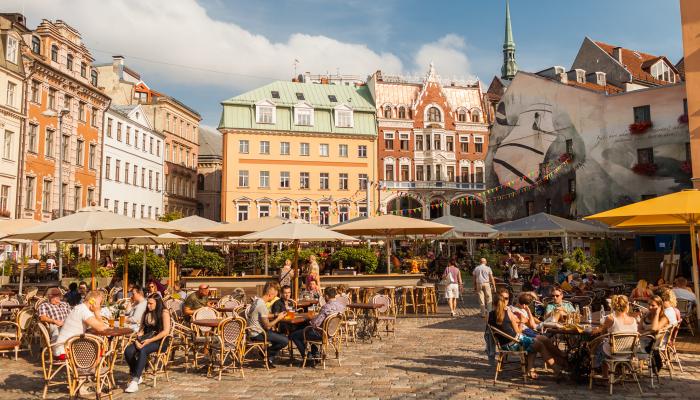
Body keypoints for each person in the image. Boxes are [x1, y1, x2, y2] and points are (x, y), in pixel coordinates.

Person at [488, 289, 567, 379]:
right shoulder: (508, 312)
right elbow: (518, 331)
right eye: (505, 299)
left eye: (507, 298)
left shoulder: (490, 315)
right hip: (515, 343)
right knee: (539, 344)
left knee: (535, 343)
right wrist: (521, 322)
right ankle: (557, 368)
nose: (507, 301)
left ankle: (531, 369)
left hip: (503, 345)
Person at [124, 295, 172, 393]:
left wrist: (148, 341)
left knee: (143, 350)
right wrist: (138, 340)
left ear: (157, 303)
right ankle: (136, 374)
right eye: (148, 303)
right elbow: (141, 330)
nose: (149, 306)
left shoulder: (164, 312)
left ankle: (135, 380)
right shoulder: (146, 313)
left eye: (151, 304)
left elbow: (166, 332)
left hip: (160, 341)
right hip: (145, 339)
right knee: (128, 350)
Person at [290, 287, 345, 366]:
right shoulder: (341, 306)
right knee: (306, 330)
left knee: (295, 335)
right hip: (332, 334)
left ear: (326, 296)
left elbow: (315, 324)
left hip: (321, 334)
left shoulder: (326, 307)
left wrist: (309, 318)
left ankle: (308, 358)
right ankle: (315, 353)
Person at [591, 295, 638, 377]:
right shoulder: (633, 320)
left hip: (613, 352)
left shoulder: (611, 319)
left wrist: (596, 331)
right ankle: (618, 371)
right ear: (627, 306)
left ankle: (603, 373)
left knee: (598, 345)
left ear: (613, 306)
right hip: (628, 351)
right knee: (603, 344)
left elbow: (602, 332)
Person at [245, 282, 288, 367]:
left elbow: (264, 315)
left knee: (281, 336)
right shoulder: (262, 305)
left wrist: (275, 315)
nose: (275, 298)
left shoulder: (257, 301)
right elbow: (268, 326)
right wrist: (278, 318)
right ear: (270, 294)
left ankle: (268, 357)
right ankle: (266, 354)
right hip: (258, 333)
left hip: (252, 331)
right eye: (274, 296)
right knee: (284, 340)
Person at [54, 291, 107, 357]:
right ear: (92, 301)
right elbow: (102, 329)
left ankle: (92, 367)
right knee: (101, 350)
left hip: (63, 347)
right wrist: (97, 312)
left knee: (98, 347)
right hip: (64, 351)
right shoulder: (84, 311)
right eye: (100, 303)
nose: (100, 306)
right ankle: (93, 367)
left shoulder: (80, 308)